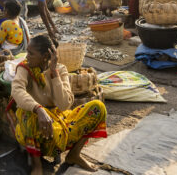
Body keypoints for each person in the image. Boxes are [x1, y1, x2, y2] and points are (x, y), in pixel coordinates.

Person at [10, 35, 107, 174]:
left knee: (98, 107)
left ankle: (74, 155)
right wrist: (38, 109)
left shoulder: (60, 70)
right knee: (27, 114)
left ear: (45, 56)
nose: (27, 56)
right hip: (35, 127)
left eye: (31, 53)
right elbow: (17, 90)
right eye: (27, 52)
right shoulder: (24, 68)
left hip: (56, 120)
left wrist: (54, 73)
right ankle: (37, 165)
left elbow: (64, 105)